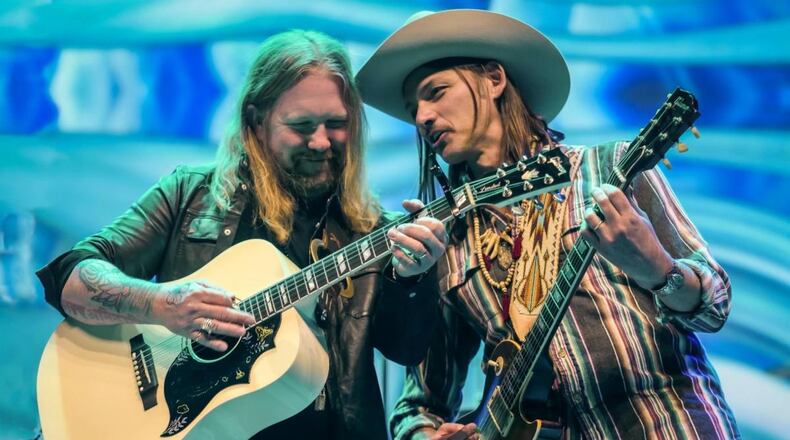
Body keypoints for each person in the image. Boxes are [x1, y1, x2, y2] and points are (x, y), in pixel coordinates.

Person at [36, 29, 448, 440]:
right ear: (256, 121)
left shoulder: (373, 232)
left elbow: (406, 349)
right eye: (301, 126)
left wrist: (413, 276)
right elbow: (70, 278)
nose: (322, 142)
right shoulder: (188, 195)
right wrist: (161, 305)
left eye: (337, 124)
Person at [357, 9, 740, 440]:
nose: (423, 117)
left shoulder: (610, 168)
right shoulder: (449, 241)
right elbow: (417, 405)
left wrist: (657, 269)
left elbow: (715, 308)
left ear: (494, 79)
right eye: (414, 109)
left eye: (436, 92)